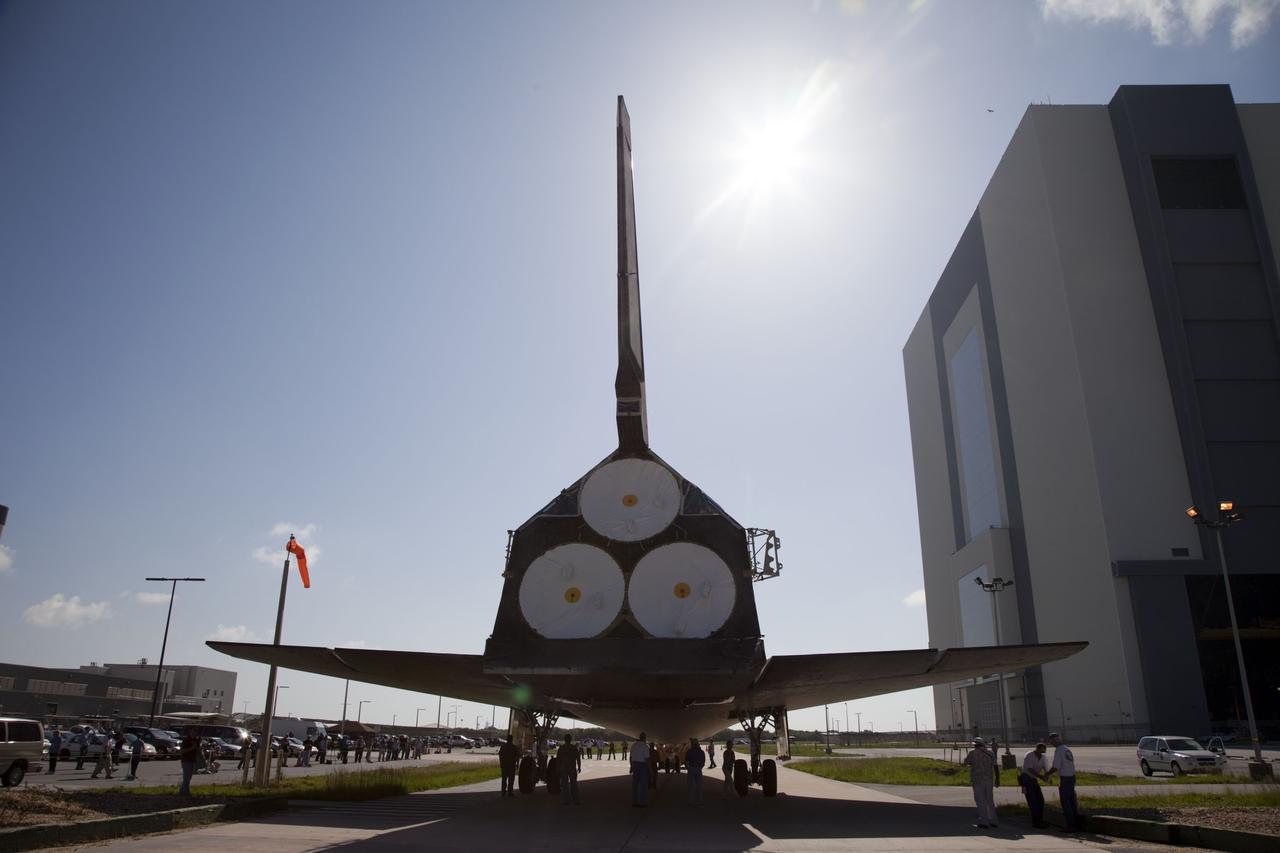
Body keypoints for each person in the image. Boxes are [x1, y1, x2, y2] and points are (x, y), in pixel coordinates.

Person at [962, 736, 998, 828]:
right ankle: (993, 820)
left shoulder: (972, 753)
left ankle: (984, 821)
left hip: (977, 780)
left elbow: (966, 763)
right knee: (989, 800)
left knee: (980, 800)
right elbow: (995, 766)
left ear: (975, 745)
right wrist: (998, 778)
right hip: (989, 779)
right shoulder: (991, 753)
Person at [1046, 732, 1079, 832]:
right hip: (1072, 776)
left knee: (1066, 802)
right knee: (1072, 801)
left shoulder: (1059, 750)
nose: (1052, 743)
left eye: (1053, 741)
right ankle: (1076, 823)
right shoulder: (1066, 748)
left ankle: (1071, 825)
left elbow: (1056, 766)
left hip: (1065, 778)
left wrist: (1047, 774)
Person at [1020, 742, 1049, 829]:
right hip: (1026, 778)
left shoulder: (1043, 757)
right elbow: (1029, 769)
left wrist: (1048, 778)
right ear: (1037, 749)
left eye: (1044, 750)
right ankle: (1036, 821)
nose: (1043, 752)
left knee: (1040, 800)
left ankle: (1040, 819)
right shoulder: (1029, 755)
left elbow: (1046, 769)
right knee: (1032, 800)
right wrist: (1040, 776)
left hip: (1034, 779)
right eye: (1042, 749)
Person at [558, 733, 581, 805]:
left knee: (565, 785)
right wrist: (579, 767)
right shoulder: (574, 748)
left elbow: (558, 759)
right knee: (574, 784)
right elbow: (578, 758)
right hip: (572, 768)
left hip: (564, 768)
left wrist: (558, 769)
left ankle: (566, 800)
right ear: (570, 740)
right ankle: (575, 800)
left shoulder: (561, 748)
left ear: (564, 740)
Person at [629, 732, 650, 807]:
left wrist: (631, 766)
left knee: (635, 784)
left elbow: (630, 757)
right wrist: (649, 769)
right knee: (643, 785)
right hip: (642, 765)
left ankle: (635, 802)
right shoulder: (645, 746)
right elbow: (647, 759)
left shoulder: (633, 746)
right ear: (644, 738)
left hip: (635, 765)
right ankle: (643, 802)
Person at [685, 738, 706, 804]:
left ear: (692, 744)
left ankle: (690, 801)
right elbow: (703, 761)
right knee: (699, 786)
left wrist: (688, 768)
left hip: (691, 768)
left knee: (690, 786)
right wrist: (700, 768)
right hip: (698, 769)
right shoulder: (701, 752)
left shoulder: (689, 751)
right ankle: (699, 801)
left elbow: (686, 761)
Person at [179, 730, 199, 795]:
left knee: (189, 777)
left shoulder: (196, 740)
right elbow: (182, 751)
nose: (195, 733)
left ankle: (185, 791)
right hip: (186, 760)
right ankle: (183, 792)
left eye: (196, 732)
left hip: (192, 760)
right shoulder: (186, 740)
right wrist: (191, 748)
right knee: (186, 777)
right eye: (193, 732)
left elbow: (197, 751)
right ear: (190, 732)